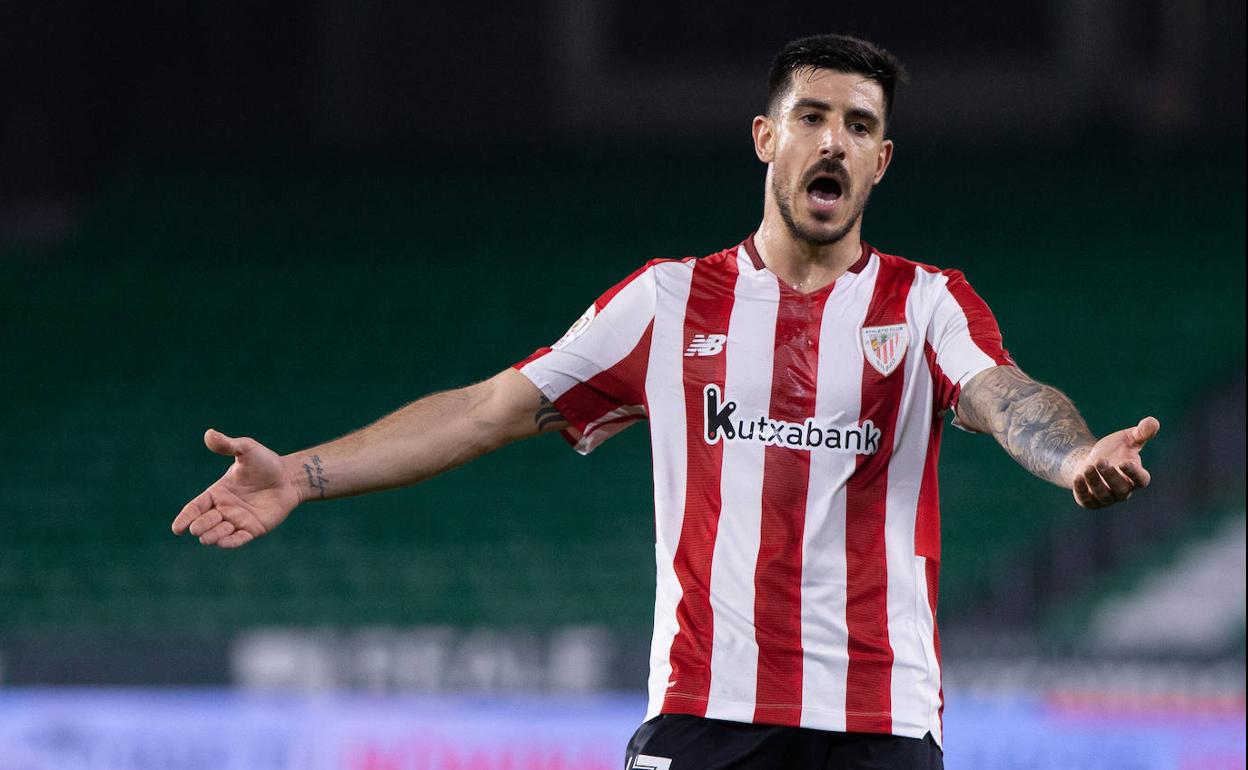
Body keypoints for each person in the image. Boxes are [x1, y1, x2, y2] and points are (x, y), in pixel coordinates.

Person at [171, 33, 1159, 770]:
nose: (835, 140)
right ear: (767, 138)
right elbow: (485, 409)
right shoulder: (666, 300)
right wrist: (301, 474)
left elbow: (1004, 393)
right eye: (813, 116)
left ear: (881, 161)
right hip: (704, 716)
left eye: (860, 126)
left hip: (879, 725)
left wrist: (1071, 457)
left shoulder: (928, 301)